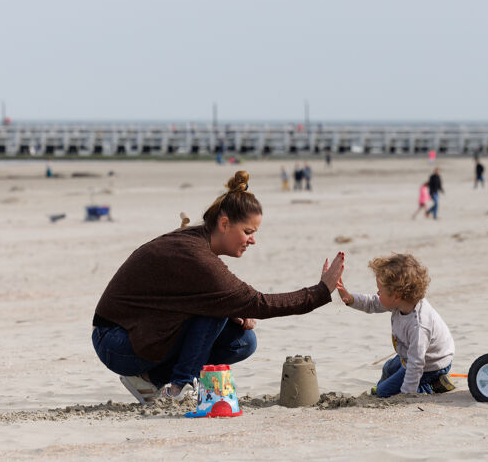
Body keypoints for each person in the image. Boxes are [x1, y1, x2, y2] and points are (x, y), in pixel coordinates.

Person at [91, 171, 345, 403]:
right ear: (224, 224)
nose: (253, 240)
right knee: (220, 307)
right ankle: (180, 387)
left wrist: (231, 308)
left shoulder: (197, 243)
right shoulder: (197, 256)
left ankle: (150, 380)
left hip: (136, 333)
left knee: (243, 341)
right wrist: (320, 291)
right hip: (115, 342)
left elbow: (182, 299)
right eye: (248, 231)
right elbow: (259, 303)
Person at [337, 253, 455, 398]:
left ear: (397, 296)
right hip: (409, 357)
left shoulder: (418, 325)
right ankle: (386, 387)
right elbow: (372, 303)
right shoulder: (401, 303)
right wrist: (350, 298)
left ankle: (430, 385)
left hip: (431, 366)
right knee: (388, 368)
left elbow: (416, 365)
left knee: (383, 392)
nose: (377, 293)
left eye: (381, 291)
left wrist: (406, 394)